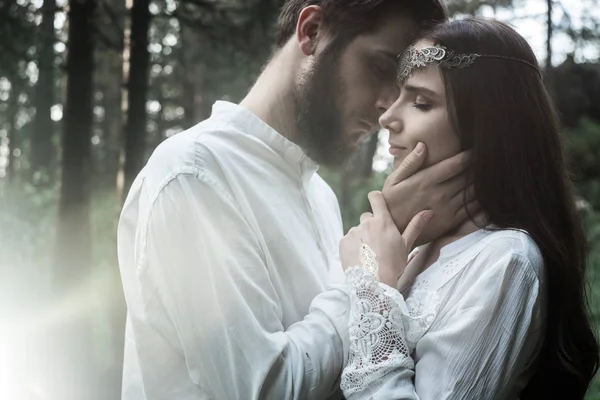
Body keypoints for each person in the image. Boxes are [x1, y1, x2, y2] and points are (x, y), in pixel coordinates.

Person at [117, 1, 475, 398]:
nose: (387, 107)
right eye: (380, 68)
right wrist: (366, 282)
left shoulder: (318, 195)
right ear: (312, 31)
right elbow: (263, 388)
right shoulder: (195, 174)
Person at [339, 18, 600, 400]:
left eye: (421, 102)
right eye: (397, 95)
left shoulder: (506, 259)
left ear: (488, 124)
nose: (387, 117)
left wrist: (373, 292)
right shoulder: (414, 241)